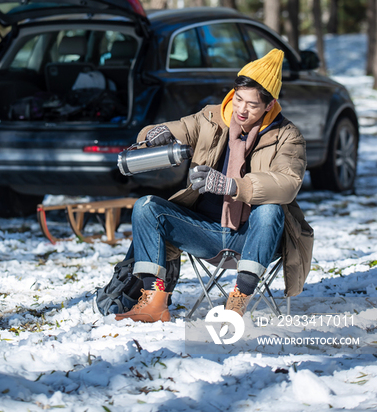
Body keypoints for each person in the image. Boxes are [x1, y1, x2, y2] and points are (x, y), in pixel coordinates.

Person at [114, 48, 314, 323]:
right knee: (147, 207)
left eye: (252, 105)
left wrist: (231, 185)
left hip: (253, 236)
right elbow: (181, 127)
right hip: (205, 231)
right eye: (239, 99)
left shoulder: (288, 136)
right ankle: (154, 299)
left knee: (271, 210)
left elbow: (288, 184)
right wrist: (157, 133)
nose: (242, 109)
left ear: (269, 105)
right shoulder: (212, 117)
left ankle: (238, 300)